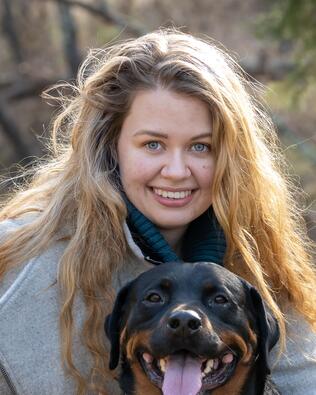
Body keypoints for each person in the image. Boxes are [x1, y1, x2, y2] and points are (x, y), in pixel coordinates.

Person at [0, 28, 315, 395]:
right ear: (110, 144)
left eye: (201, 147)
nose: (177, 171)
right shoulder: (18, 265)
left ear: (232, 157)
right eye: (153, 144)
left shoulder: (257, 261)